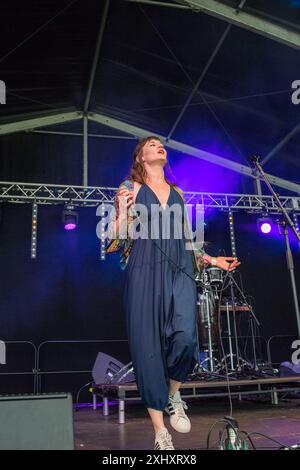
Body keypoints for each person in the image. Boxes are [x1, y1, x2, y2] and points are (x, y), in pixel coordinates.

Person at [107, 136, 240, 450]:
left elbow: (188, 238)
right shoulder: (130, 187)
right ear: (140, 157)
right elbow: (116, 238)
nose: (158, 146)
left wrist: (213, 260)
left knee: (186, 337)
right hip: (144, 267)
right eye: (151, 145)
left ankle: (172, 395)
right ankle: (160, 432)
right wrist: (123, 214)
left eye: (160, 144)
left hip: (179, 266)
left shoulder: (179, 193)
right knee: (147, 344)